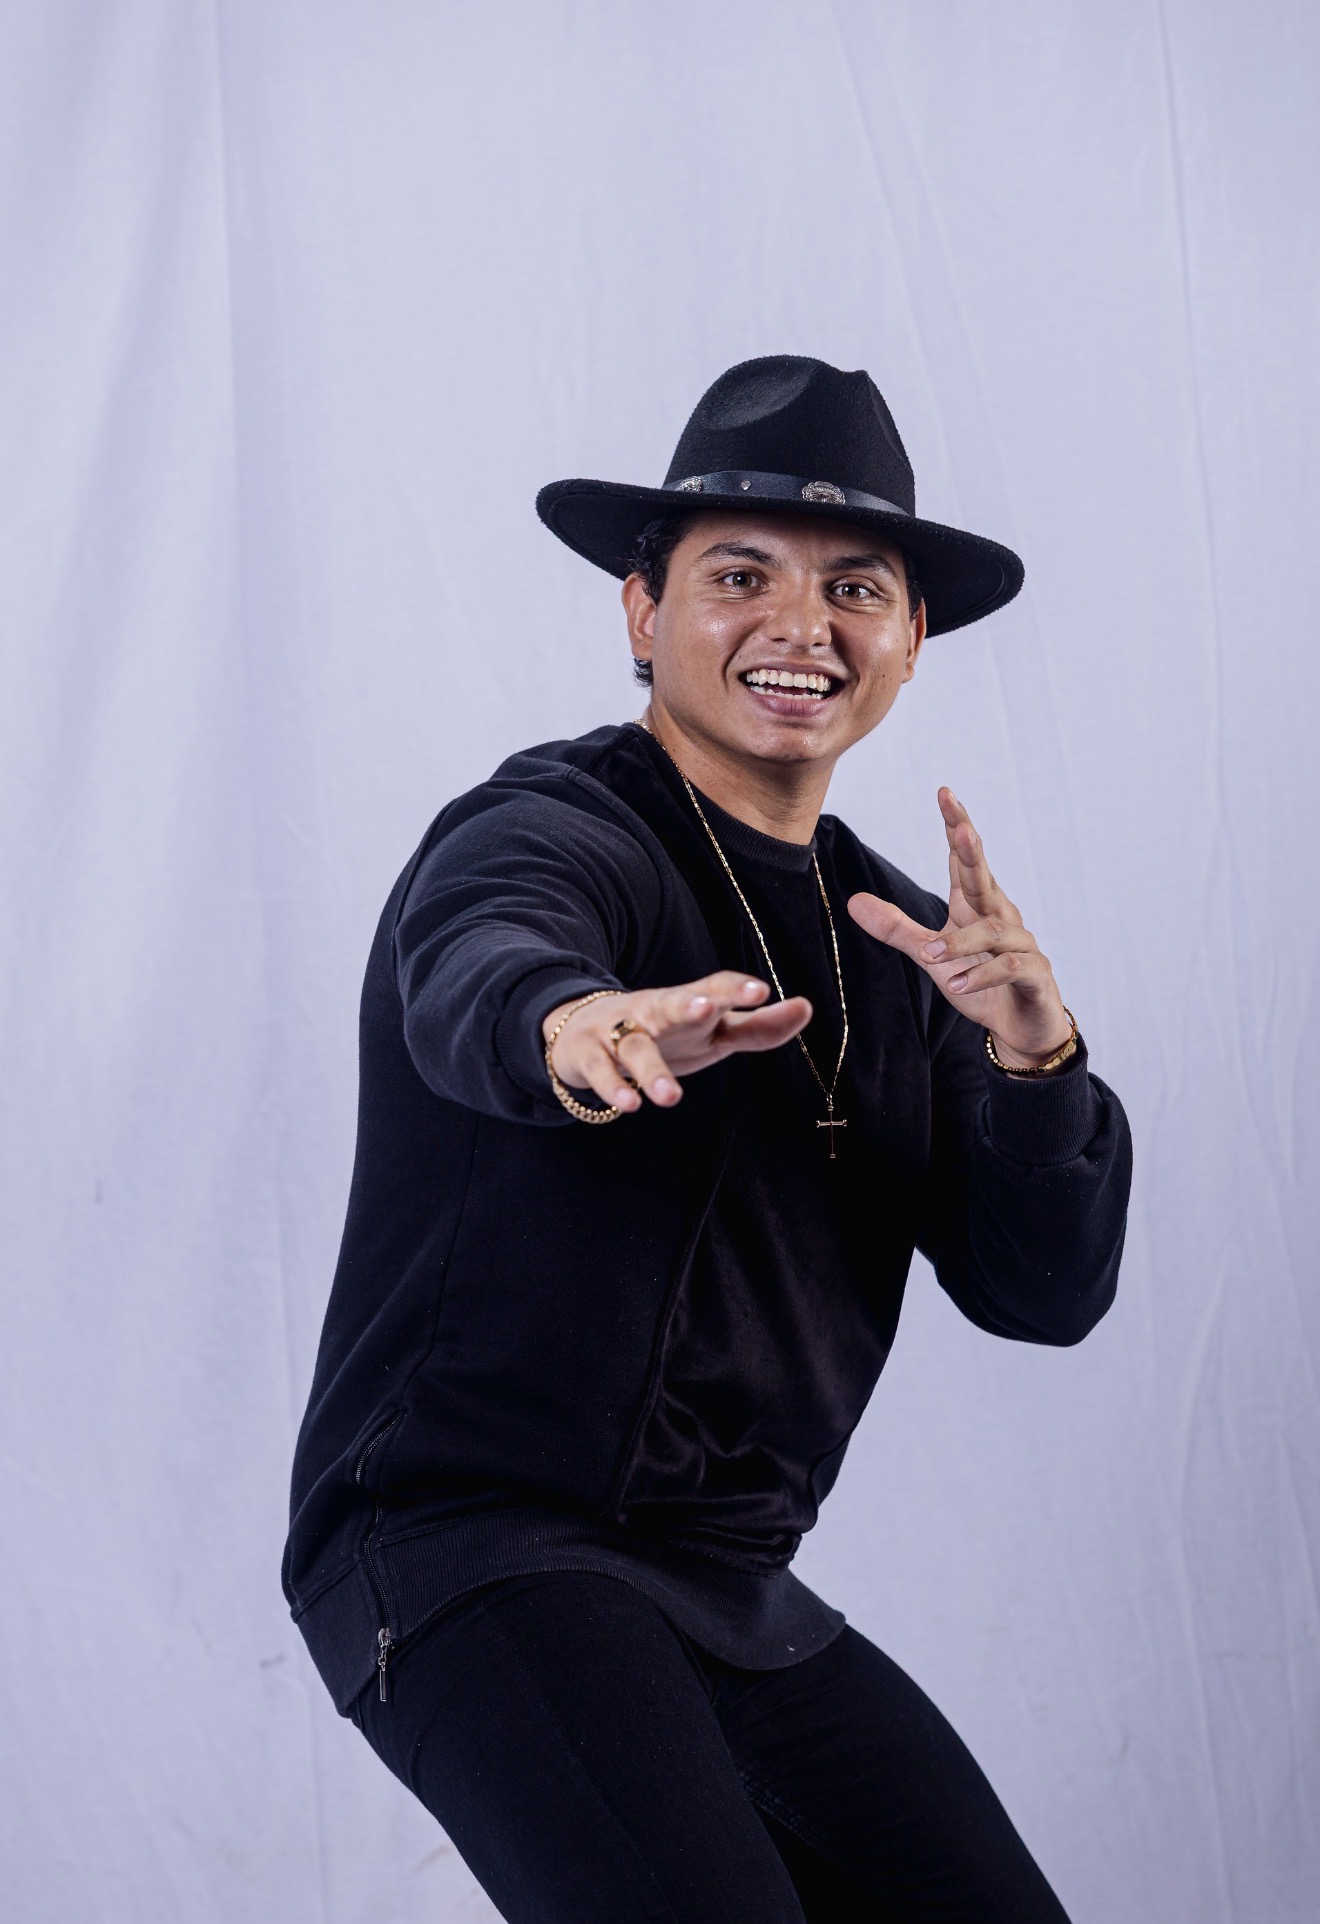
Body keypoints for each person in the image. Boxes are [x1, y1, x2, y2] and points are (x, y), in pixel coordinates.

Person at [283, 355, 1132, 1922]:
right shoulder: (554, 827)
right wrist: (574, 1029)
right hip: (469, 1543)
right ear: (642, 610)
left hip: (732, 1587)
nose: (801, 626)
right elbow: (485, 948)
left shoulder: (911, 943)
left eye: (855, 589)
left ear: (911, 638)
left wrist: (1036, 1058)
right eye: (740, 576)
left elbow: (1045, 1292)